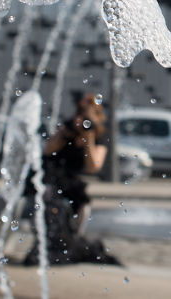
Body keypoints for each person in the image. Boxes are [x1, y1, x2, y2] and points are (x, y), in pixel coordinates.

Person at [24, 93, 118, 265]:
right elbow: (48, 150)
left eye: (90, 115)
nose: (84, 120)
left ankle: (73, 241)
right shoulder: (68, 127)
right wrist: (67, 134)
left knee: (83, 205)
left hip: (71, 181)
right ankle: (43, 243)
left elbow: (93, 167)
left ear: (97, 118)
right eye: (82, 113)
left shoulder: (98, 136)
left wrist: (88, 137)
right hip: (51, 176)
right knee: (48, 203)